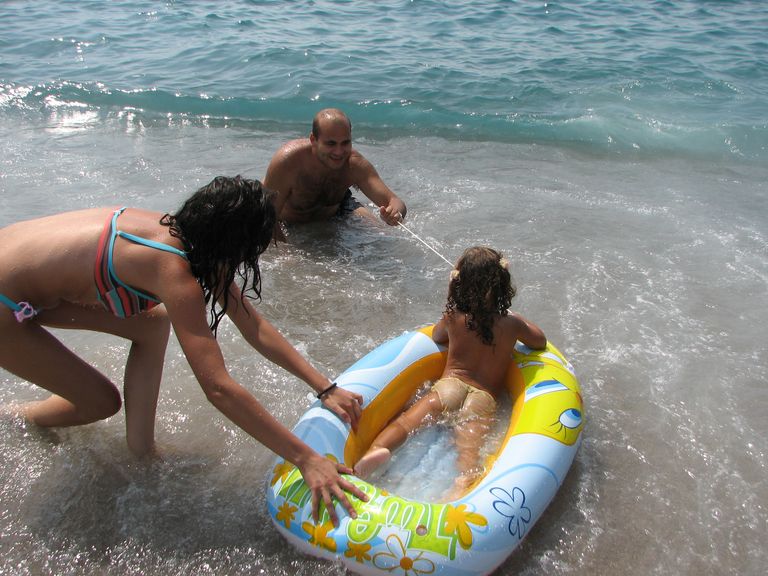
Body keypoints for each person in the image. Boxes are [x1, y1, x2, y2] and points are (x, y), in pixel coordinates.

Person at [0, 176, 366, 524]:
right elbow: (218, 387)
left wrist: (325, 387)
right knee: (101, 403)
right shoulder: (171, 270)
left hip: (15, 268)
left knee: (152, 323)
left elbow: (253, 327)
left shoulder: (180, 232)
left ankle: (141, 451)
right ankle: (12, 418)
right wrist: (306, 458)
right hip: (5, 302)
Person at [353, 246, 547, 499]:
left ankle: (379, 450)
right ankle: (462, 482)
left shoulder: (454, 317)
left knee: (406, 423)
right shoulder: (512, 324)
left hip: (449, 387)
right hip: (483, 397)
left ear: (459, 284)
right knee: (469, 448)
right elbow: (539, 341)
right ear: (502, 284)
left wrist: (451, 297)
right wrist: (513, 316)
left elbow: (437, 336)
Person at [263, 108, 407, 239]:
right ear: (313, 140)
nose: (339, 152)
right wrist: (286, 252)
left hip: (336, 213)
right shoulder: (288, 161)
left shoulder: (354, 164)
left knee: (381, 235)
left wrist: (395, 213)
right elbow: (266, 218)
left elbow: (394, 201)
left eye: (345, 143)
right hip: (287, 222)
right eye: (331, 144)